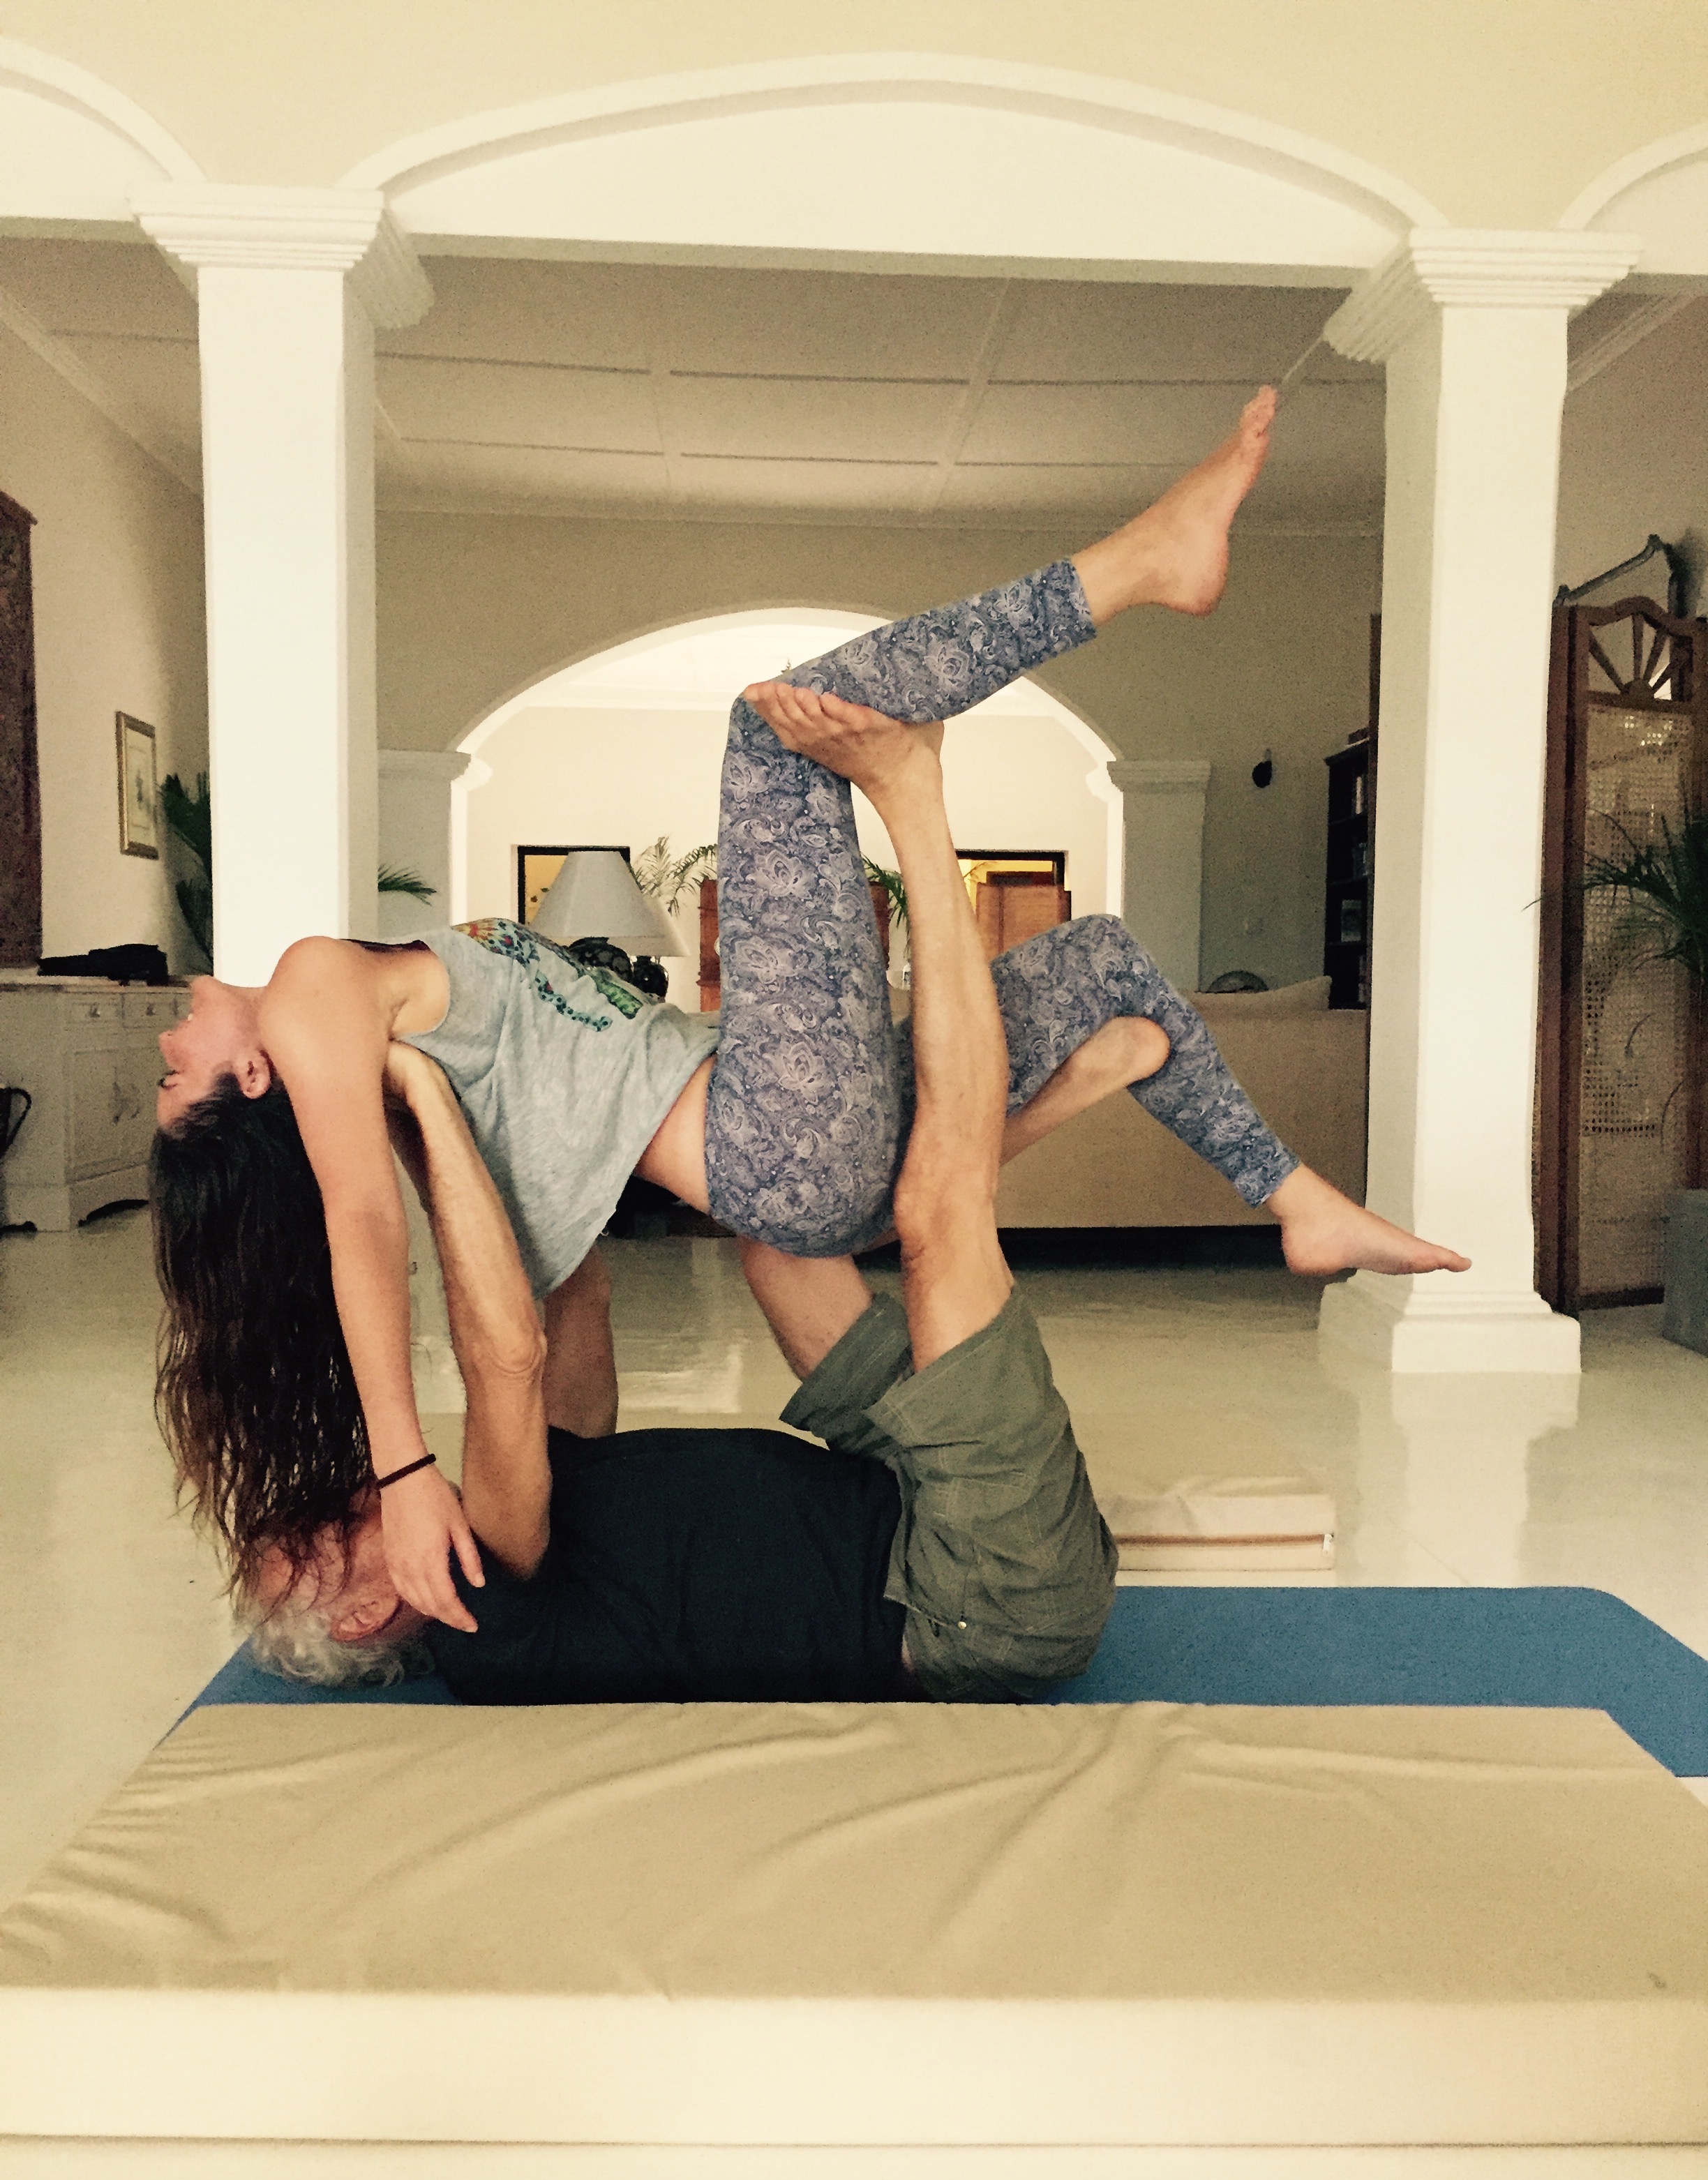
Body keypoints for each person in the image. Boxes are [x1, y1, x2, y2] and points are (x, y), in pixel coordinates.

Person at [154, 389, 1468, 1629]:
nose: (166, 1041)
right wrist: (402, 1472)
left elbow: (569, 1319)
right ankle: (1137, 564)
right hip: (777, 1140)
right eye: (176, 1078)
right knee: (770, 736)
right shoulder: (312, 994)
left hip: (796, 1158)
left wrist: (565, 1497)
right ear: (257, 1079)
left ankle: (1295, 1198)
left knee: (1102, 964)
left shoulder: (431, 1092)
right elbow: (361, 1225)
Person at [246, 694, 1125, 1704]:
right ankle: (917, 801)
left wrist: (466, 1104)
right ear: (365, 1614)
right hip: (985, 1596)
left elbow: (571, 1299)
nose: (340, 1497)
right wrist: (419, 1085)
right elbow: (505, 1356)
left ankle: (1061, 1087)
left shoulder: (533, 1506)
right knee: (939, 1213)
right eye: (317, 1537)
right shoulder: (484, 1627)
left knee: (777, 1237)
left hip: (916, 1497)